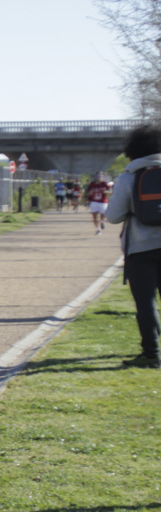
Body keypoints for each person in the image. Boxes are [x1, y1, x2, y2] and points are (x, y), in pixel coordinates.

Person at [107, 124, 161, 369]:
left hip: (140, 248)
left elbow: (113, 216)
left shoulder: (128, 177)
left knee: (146, 302)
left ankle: (151, 353)